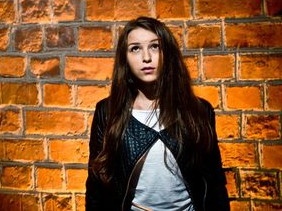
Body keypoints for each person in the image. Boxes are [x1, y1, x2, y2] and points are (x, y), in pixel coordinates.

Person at [85, 17, 230, 211]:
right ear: (125, 58)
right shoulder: (108, 112)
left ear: (167, 53)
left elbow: (215, 183)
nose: (146, 57)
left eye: (154, 47)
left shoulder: (199, 111)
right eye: (135, 48)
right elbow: (96, 186)